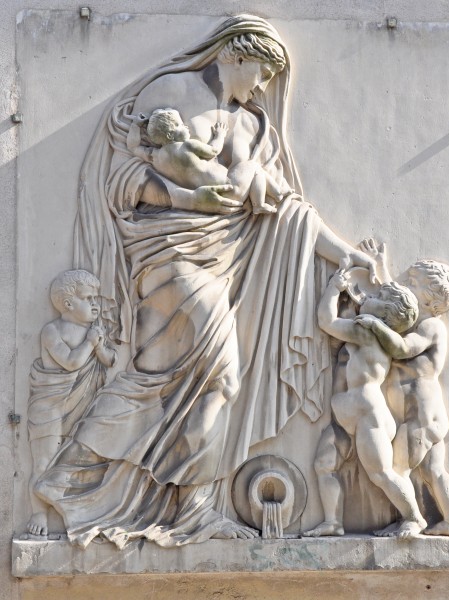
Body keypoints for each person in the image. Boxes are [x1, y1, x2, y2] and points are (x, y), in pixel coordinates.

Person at [37, 15, 377, 548]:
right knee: (171, 375)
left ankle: (177, 502)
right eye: (261, 72)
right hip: (167, 251)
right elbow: (125, 179)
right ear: (235, 54)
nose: (263, 87)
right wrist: (188, 198)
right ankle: (81, 481)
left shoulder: (253, 127)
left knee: (199, 379)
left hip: (223, 258)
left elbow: (290, 212)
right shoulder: (172, 90)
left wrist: (348, 255)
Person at [304, 269, 427, 538]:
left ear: (385, 312)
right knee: (324, 465)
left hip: (367, 415)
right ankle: (332, 522)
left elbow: (326, 321)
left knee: (381, 474)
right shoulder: (370, 330)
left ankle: (414, 518)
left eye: (379, 295)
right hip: (346, 416)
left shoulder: (368, 331)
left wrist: (334, 288)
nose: (371, 295)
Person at [355, 257, 449, 537]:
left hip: (420, 415)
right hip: (422, 414)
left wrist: (375, 326)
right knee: (433, 471)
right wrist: (381, 271)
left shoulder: (430, 327)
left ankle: (412, 519)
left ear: (430, 299)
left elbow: (402, 348)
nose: (404, 285)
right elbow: (399, 306)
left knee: (396, 468)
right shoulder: (418, 320)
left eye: (411, 283)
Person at [27, 270, 116, 536]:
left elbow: (110, 360)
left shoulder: (95, 330)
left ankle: (80, 512)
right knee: (43, 463)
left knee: (80, 462)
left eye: (95, 298)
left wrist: (100, 346)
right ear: (68, 304)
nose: (95, 304)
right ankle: (39, 513)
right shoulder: (51, 331)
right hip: (50, 406)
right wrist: (91, 343)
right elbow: (71, 363)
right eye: (88, 298)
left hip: (83, 403)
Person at [126, 109, 287, 214]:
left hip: (213, 201)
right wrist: (220, 135)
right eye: (180, 125)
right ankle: (269, 198)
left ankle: (272, 196)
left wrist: (135, 125)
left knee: (252, 168)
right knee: (252, 167)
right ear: (169, 135)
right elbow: (213, 151)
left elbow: (133, 147)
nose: (186, 127)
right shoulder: (187, 146)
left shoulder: (156, 157)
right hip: (230, 187)